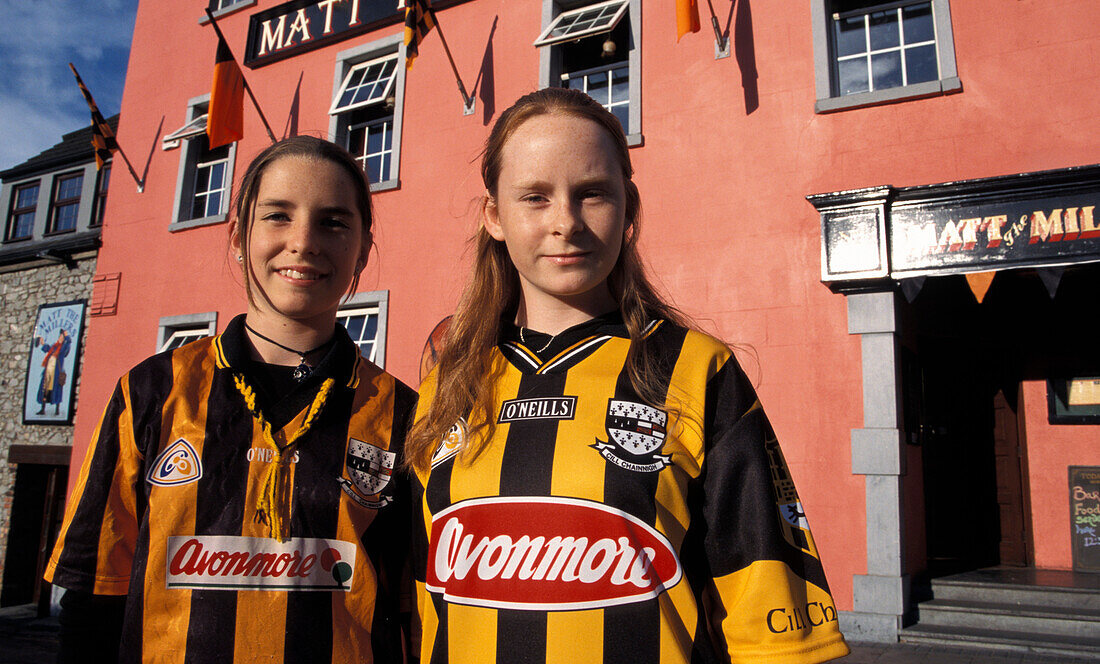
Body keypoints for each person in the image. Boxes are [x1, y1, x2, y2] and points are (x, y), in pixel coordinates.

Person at [407, 88, 849, 664]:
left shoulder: (699, 371)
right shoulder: (447, 386)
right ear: (495, 216)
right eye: (535, 197)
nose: (565, 222)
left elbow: (770, 623)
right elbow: (423, 609)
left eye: (592, 194)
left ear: (629, 208)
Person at [45, 136, 416, 664]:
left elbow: (415, 616)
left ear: (364, 247)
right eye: (278, 216)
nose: (304, 241)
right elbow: (92, 595)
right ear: (239, 236)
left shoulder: (404, 414)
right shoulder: (150, 391)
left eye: (334, 222)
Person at [36, 328, 71, 415]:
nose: (60, 338)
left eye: (62, 337)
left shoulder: (63, 349)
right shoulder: (54, 346)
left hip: (56, 373)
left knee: (57, 390)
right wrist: (43, 343)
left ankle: (57, 410)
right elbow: (48, 349)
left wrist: (66, 336)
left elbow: (68, 344)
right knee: (45, 390)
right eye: (60, 337)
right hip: (48, 372)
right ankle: (42, 409)